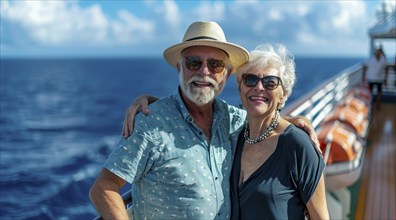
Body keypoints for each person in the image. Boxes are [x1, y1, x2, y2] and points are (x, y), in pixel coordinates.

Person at [90, 21, 318, 220]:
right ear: (180, 68)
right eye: (193, 63)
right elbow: (103, 188)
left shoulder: (231, 120)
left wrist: (294, 120)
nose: (204, 71)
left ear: (226, 74)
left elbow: (263, 116)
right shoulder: (151, 124)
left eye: (215, 64)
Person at [230, 43, 329, 219]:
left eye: (270, 82)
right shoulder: (232, 138)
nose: (259, 87)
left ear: (283, 94)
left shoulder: (298, 146)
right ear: (240, 87)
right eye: (250, 79)